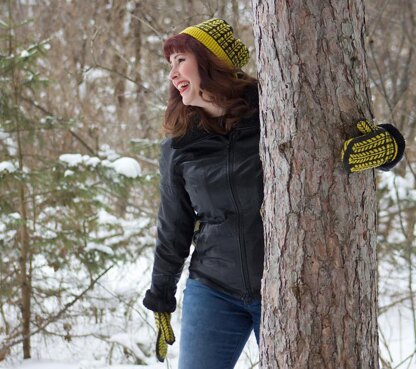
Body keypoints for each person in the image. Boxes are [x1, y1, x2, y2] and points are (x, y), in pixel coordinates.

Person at [142, 18, 406, 369]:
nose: (172, 74)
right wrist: (161, 296)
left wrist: (389, 145)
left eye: (180, 60)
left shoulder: (276, 112)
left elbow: (343, 137)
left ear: (211, 61)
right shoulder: (180, 146)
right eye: (169, 64)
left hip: (287, 290)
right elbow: (173, 225)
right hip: (213, 289)